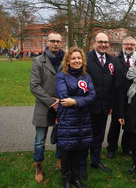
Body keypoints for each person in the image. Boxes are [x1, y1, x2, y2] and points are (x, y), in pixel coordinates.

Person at [56, 47, 96, 188]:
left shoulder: (87, 77)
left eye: (79, 58)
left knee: (79, 148)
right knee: (67, 150)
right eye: (73, 58)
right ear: (68, 60)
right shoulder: (62, 76)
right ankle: (66, 180)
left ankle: (76, 178)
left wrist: (76, 101)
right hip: (67, 118)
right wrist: (81, 99)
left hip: (83, 118)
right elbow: (63, 96)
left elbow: (92, 96)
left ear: (83, 60)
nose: (76, 61)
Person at [30, 32, 65, 183]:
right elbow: (34, 86)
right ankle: (39, 165)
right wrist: (52, 102)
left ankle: (60, 160)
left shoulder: (66, 60)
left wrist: (62, 101)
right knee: (40, 139)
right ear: (47, 42)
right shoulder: (39, 61)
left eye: (58, 41)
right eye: (52, 41)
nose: (55, 44)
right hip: (44, 106)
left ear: (61, 43)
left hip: (63, 105)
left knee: (61, 136)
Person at [80, 32, 115, 180]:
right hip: (87, 106)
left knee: (98, 137)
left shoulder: (111, 61)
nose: (103, 45)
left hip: (103, 107)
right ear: (94, 43)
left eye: (105, 42)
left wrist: (110, 105)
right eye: (100, 42)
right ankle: (81, 166)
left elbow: (113, 85)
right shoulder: (86, 59)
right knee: (84, 137)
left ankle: (95, 161)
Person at [106, 37, 135, 159]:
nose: (129, 46)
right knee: (115, 125)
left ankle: (126, 147)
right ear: (123, 45)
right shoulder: (114, 60)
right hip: (118, 99)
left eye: (132, 45)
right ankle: (111, 148)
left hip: (132, 98)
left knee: (129, 125)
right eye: (127, 44)